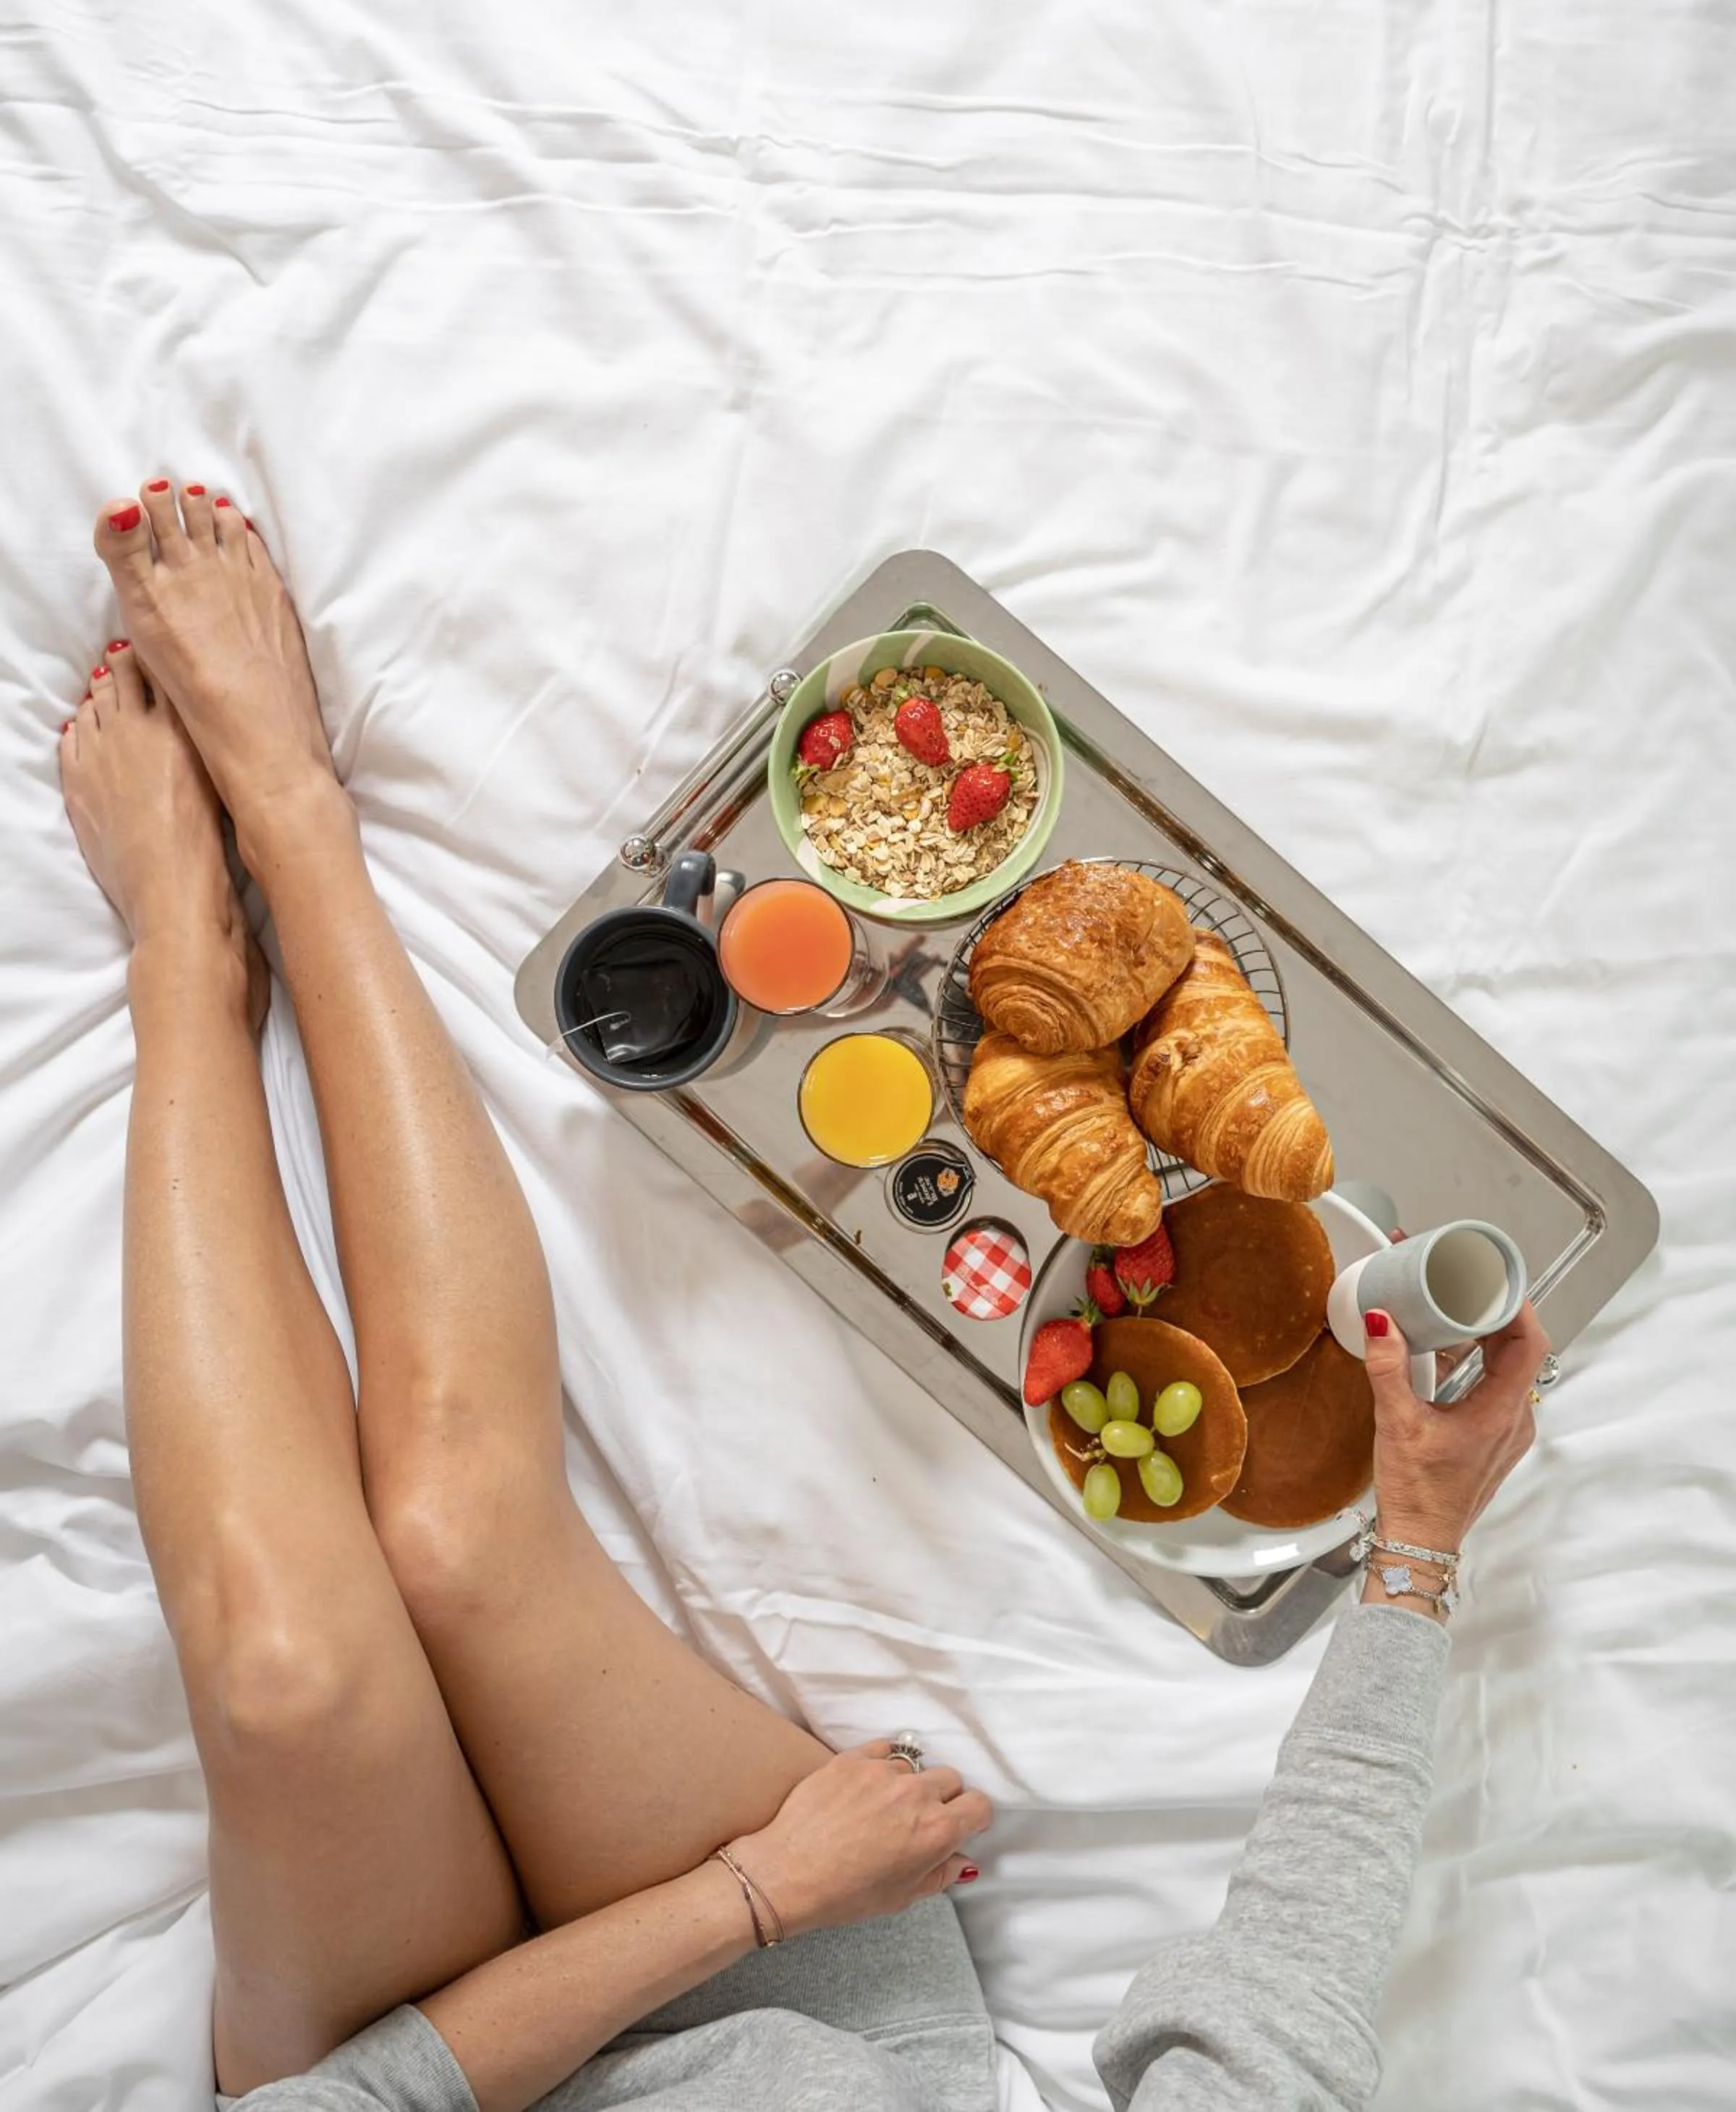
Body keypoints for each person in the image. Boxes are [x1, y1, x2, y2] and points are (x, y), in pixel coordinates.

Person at [59, 477, 1545, 2112]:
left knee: (287, 1682)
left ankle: (190, 972)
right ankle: (293, 815)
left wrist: (748, 1894)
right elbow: (1295, 1981)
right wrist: (1412, 1548)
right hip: (816, 2010)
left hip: (487, 2025)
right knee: (454, 1533)